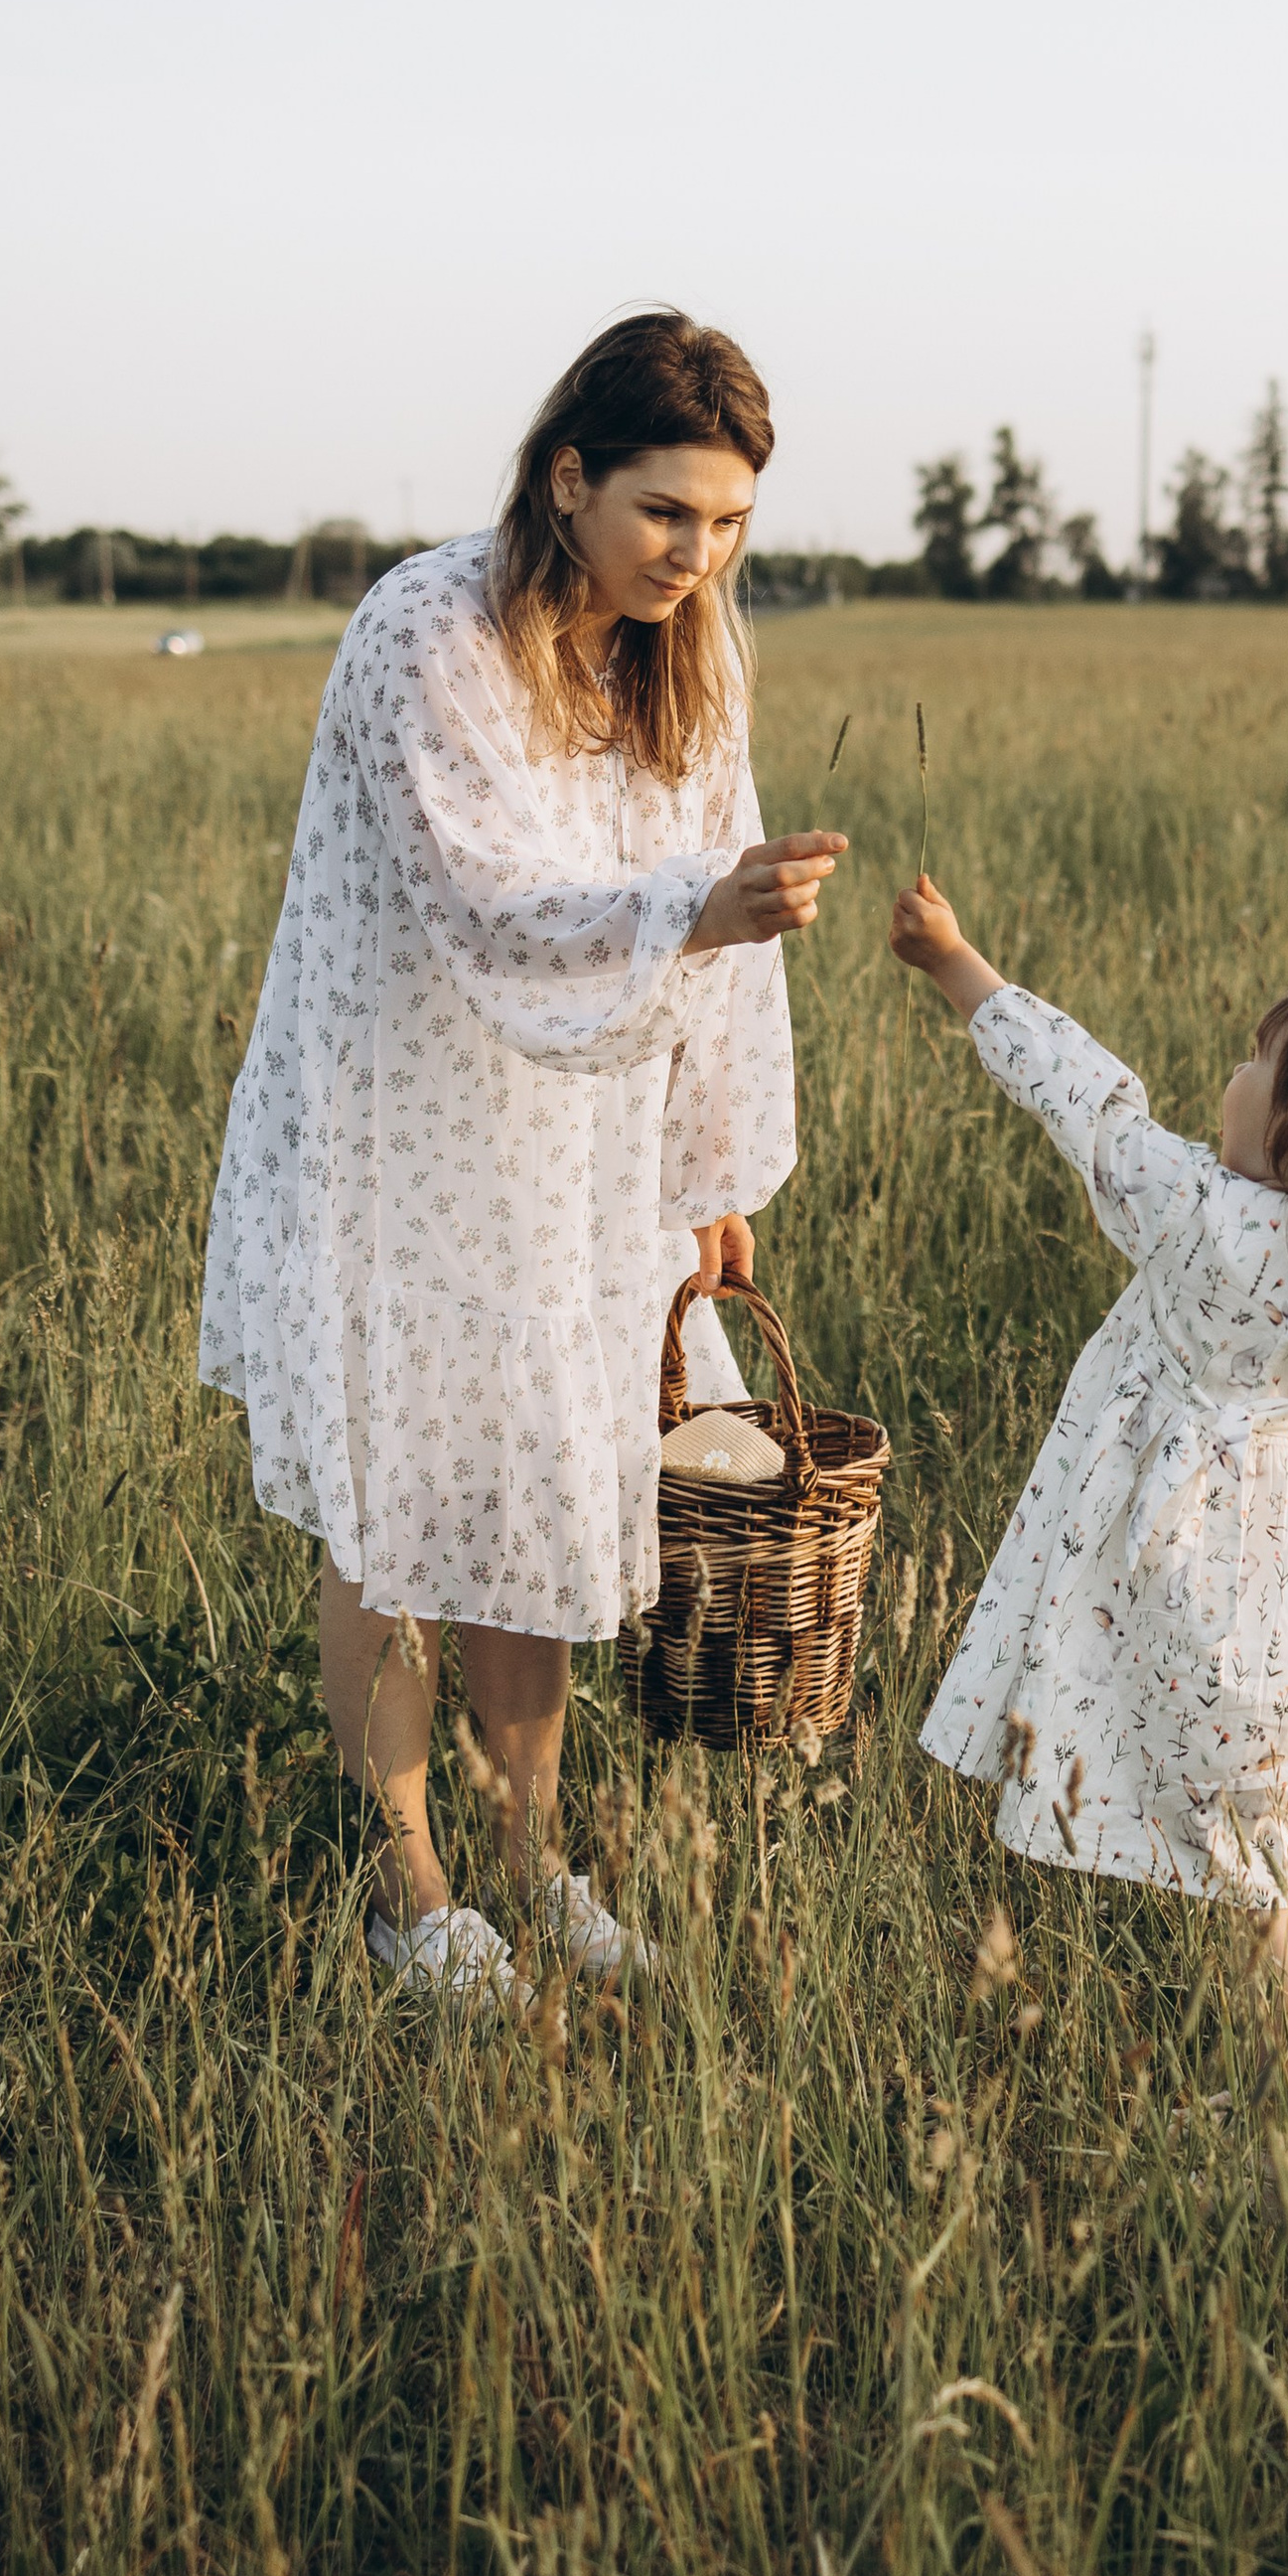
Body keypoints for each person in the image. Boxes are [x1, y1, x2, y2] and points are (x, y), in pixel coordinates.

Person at [201, 314, 848, 2007]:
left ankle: (531, 1855)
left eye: (727, 525)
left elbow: (731, 921)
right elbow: (483, 894)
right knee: (399, 1503)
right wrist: (696, 908)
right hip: (396, 1130)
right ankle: (411, 1890)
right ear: (568, 478)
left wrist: (708, 1172)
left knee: (546, 1485)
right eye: (662, 513)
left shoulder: (689, 650)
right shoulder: (426, 628)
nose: (694, 555)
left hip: (575, 1143)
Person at [889, 876, 1288, 2133]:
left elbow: (1090, 1108)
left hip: (1204, 1592)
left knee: (1246, 1883)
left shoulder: (1214, 1223)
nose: (1231, 1070)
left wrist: (958, 966)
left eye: (1256, 1062)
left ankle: (1281, 2128)